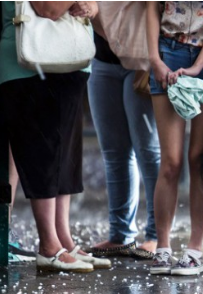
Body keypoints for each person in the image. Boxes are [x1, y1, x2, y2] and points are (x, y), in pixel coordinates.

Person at [0, 0, 110, 273]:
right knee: (45, 154)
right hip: (32, 64)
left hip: (64, 61)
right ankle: (49, 245)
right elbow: (49, 8)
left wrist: (90, 7)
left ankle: (63, 240)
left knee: (63, 156)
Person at [146, 1, 203, 276]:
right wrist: (154, 60)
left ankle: (195, 250)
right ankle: (163, 247)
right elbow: (152, 8)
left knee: (199, 158)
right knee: (170, 161)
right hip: (167, 52)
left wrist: (197, 66)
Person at [87, 2, 161, 260]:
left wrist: (154, 57)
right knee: (114, 152)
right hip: (102, 59)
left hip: (141, 60)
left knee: (148, 151)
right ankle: (121, 235)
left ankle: (156, 235)